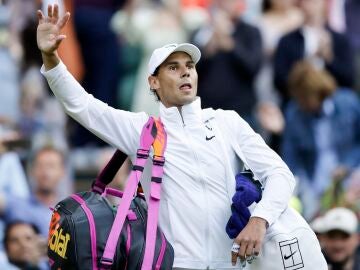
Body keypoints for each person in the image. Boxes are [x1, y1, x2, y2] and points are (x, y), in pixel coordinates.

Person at [36, 4, 327, 269]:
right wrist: (51, 58)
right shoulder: (141, 129)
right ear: (154, 81)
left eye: (190, 67)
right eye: (173, 68)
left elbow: (280, 174)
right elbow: (83, 106)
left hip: (234, 264)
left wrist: (260, 219)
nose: (185, 73)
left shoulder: (227, 121)